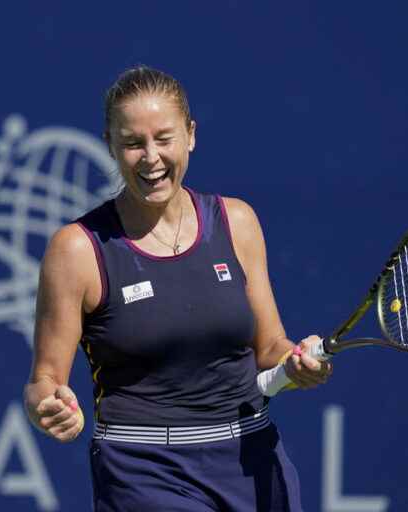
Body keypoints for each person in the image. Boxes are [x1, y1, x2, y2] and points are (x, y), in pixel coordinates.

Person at [24, 65, 333, 511]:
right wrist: (48, 405)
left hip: (253, 459)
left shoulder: (238, 222)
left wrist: (297, 362)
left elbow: (269, 347)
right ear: (111, 146)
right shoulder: (76, 249)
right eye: (132, 143)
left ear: (190, 135)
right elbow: (43, 380)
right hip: (143, 471)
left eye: (163, 138)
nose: (150, 157)